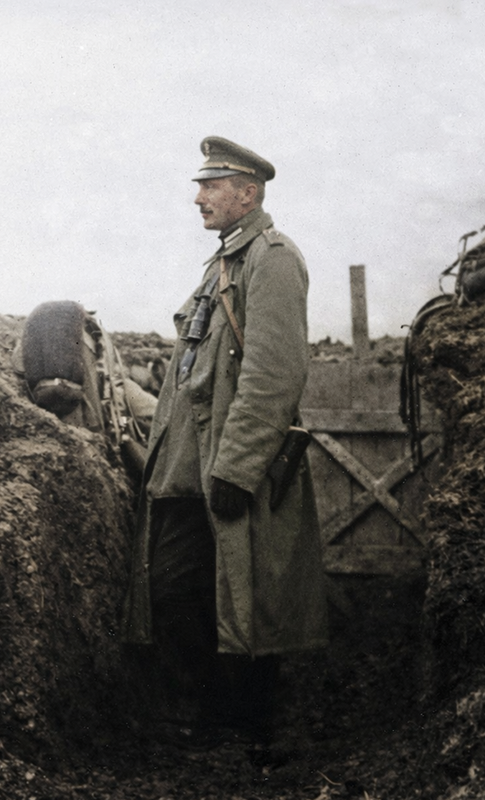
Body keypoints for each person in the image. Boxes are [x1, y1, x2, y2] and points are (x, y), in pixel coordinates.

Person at [122, 136, 328, 749]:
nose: (199, 198)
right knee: (181, 588)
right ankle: (210, 708)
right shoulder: (222, 265)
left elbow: (273, 373)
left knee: (249, 592)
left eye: (212, 186)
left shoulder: (273, 259)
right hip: (188, 468)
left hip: (230, 466)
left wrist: (237, 469)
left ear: (249, 193)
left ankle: (249, 719)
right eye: (200, 185)